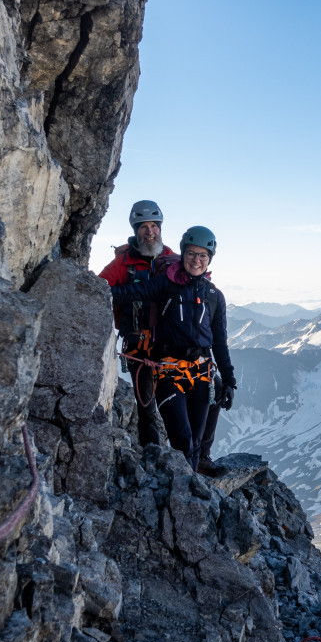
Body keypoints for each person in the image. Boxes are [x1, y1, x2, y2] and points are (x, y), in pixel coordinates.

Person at [109, 226, 237, 471]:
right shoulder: (164, 285)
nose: (196, 260)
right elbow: (132, 292)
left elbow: (219, 342)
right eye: (191, 254)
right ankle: (186, 497)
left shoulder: (214, 296)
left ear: (209, 259)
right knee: (183, 442)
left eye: (202, 256)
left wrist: (229, 381)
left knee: (195, 444)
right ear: (182, 253)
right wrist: (99, 289)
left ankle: (192, 494)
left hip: (200, 373)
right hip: (168, 374)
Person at [99, 200, 177, 446]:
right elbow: (99, 288)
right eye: (144, 227)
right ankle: (152, 451)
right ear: (136, 230)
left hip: (169, 344)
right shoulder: (123, 263)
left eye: (154, 226)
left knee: (173, 399)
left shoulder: (170, 258)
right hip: (138, 346)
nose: (150, 231)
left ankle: (181, 452)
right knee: (146, 405)